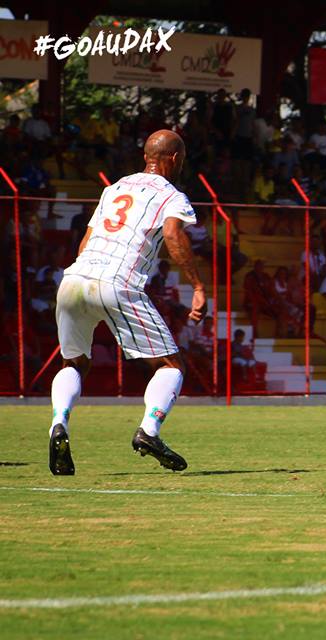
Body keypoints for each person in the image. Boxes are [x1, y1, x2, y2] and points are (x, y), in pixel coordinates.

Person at [48, 130, 204, 475]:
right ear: (175, 159)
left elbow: (86, 241)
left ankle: (59, 424)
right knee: (171, 366)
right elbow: (174, 235)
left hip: (75, 278)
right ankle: (149, 431)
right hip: (119, 282)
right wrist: (197, 286)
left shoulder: (114, 188)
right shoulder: (171, 195)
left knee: (73, 363)